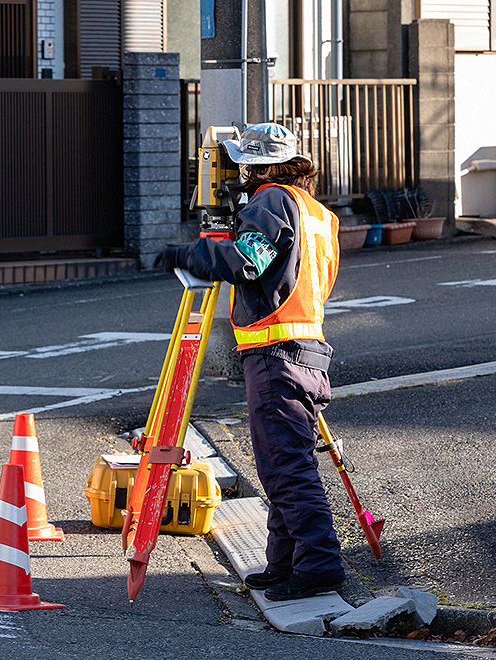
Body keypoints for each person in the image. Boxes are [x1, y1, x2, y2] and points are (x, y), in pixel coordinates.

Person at [155, 122, 345, 601]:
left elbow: (247, 262)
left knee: (285, 467)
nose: (236, 169)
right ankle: (284, 564)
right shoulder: (316, 212)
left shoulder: (272, 200)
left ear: (253, 165)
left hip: (276, 355)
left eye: (241, 162)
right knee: (284, 462)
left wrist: (190, 253)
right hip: (307, 352)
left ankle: (319, 566)